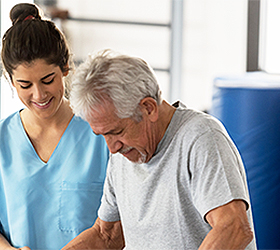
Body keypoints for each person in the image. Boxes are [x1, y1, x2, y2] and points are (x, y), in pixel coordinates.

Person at [62, 50, 256, 250]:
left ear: (148, 108)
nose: (112, 148)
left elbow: (233, 228)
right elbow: (107, 236)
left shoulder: (200, 138)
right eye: (103, 135)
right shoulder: (124, 153)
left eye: (117, 131)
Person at [0, 4, 109, 250]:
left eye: (48, 80)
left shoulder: (103, 138)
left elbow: (118, 225)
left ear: (65, 68)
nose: (39, 95)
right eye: (25, 85)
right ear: (10, 79)